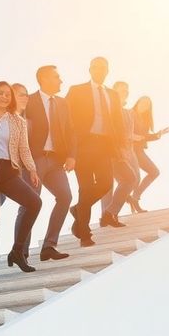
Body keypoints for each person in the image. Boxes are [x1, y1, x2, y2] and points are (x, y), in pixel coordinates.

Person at [0, 81, 43, 283]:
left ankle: (17, 250)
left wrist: (32, 169)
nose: (4, 97)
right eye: (0, 93)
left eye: (8, 94)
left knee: (34, 203)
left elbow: (24, 149)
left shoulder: (17, 121)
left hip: (9, 171)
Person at [65, 57, 134, 245]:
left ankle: (78, 209)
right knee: (85, 188)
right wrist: (69, 150)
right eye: (96, 67)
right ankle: (85, 234)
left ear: (107, 71)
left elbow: (118, 122)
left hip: (105, 146)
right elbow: (65, 118)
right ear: (90, 69)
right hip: (83, 145)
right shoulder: (76, 90)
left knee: (104, 184)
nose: (99, 70)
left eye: (103, 68)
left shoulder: (112, 94)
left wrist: (119, 148)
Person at [20, 65, 75, 260]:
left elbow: (69, 130)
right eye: (57, 77)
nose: (61, 80)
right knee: (30, 202)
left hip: (56, 160)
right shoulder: (29, 101)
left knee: (65, 197)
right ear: (44, 79)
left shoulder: (62, 103)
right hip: (35, 159)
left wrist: (72, 155)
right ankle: (21, 251)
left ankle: (49, 246)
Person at [100, 81, 140, 222]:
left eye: (126, 89)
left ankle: (110, 212)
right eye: (121, 89)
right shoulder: (109, 108)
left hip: (129, 149)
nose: (125, 91)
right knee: (108, 184)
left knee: (135, 179)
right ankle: (108, 215)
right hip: (114, 149)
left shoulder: (129, 112)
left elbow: (130, 132)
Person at [129, 96, 169, 211]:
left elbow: (144, 138)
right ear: (138, 102)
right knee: (133, 178)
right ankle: (125, 199)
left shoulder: (145, 120)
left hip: (139, 150)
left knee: (154, 172)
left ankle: (134, 197)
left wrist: (158, 134)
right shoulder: (130, 114)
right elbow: (126, 132)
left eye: (148, 105)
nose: (145, 105)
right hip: (129, 149)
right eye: (143, 102)